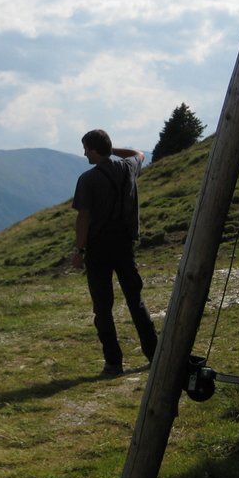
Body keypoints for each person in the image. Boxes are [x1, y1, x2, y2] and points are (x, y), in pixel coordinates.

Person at [71, 129, 158, 377]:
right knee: (135, 300)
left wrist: (79, 250)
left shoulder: (88, 179)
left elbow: (83, 218)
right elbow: (138, 154)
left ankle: (113, 363)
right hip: (124, 245)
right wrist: (111, 150)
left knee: (102, 307)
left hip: (99, 248)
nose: (84, 154)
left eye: (86, 149)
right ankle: (155, 354)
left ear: (94, 150)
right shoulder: (128, 168)